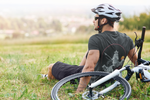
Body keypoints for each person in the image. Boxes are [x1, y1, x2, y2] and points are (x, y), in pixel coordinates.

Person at [42, 3, 137, 92]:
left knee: (51, 67)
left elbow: (89, 68)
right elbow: (137, 62)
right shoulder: (127, 39)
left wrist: (78, 92)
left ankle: (47, 77)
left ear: (103, 20)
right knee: (89, 53)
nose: (93, 21)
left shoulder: (96, 39)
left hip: (93, 80)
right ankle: (75, 71)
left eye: (96, 18)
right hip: (111, 81)